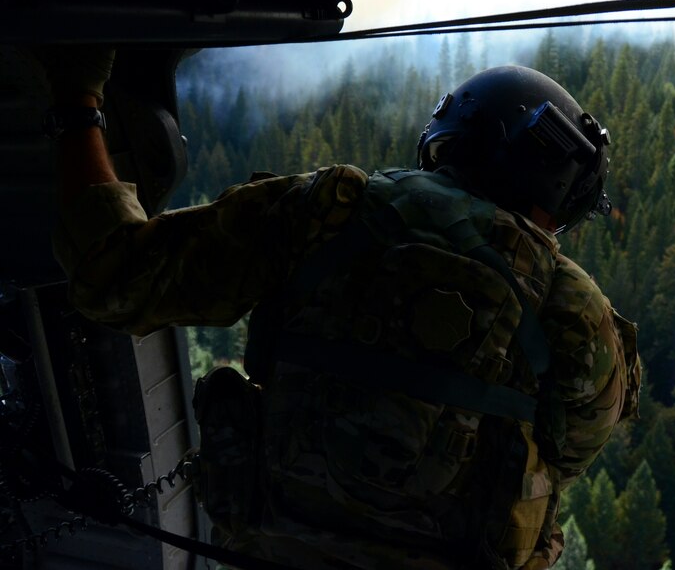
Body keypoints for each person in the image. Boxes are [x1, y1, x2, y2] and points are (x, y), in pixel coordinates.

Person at [43, 49, 641, 570]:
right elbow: (562, 461)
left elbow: (114, 276)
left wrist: (79, 97)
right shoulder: (581, 316)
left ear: (452, 136)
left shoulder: (328, 211)